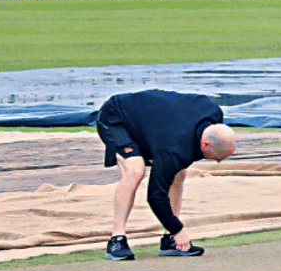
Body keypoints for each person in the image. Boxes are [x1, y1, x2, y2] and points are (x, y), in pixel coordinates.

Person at [96, 89, 237, 260]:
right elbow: (156, 196)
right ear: (206, 144)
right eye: (217, 158)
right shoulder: (174, 147)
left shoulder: (213, 115)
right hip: (117, 117)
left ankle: (170, 239)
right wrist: (179, 229)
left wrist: (173, 229)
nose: (218, 162)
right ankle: (117, 239)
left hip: (152, 124)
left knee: (179, 172)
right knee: (135, 170)